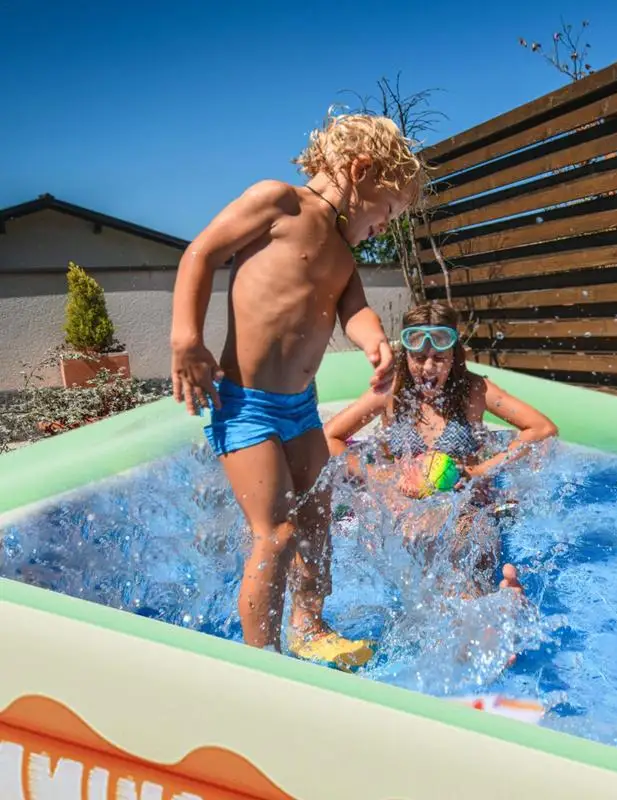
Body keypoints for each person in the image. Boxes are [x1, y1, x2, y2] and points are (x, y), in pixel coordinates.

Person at [169, 112, 427, 669]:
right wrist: (186, 338)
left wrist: (375, 342)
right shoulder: (278, 203)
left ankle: (309, 625)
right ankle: (262, 663)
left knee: (317, 524)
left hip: (301, 412)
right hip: (246, 407)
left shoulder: (344, 256)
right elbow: (202, 253)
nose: (386, 226)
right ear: (361, 172)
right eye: (388, 212)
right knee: (278, 534)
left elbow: (353, 310)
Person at [324, 300, 559, 599]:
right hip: (408, 509)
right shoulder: (391, 392)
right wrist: (381, 479)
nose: (428, 368)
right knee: (418, 549)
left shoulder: (474, 390)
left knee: (468, 548)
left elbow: (542, 430)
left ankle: (494, 607)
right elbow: (327, 439)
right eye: (419, 357)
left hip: (463, 506)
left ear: (454, 356)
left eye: (439, 358)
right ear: (406, 355)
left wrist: (478, 471)